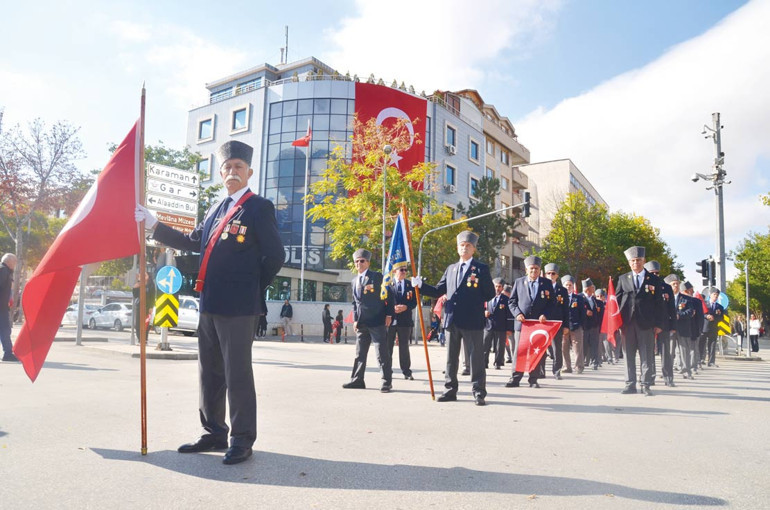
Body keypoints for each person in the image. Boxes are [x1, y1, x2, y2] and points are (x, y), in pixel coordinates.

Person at [135, 140, 284, 465]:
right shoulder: (216, 210)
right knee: (210, 373)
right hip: (210, 303)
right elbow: (192, 242)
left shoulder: (259, 207)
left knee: (237, 374)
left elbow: (276, 255)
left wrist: (253, 287)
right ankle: (214, 431)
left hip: (240, 305)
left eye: (239, 167)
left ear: (249, 172)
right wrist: (154, 225)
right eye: (227, 167)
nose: (233, 171)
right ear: (220, 172)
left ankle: (242, 440)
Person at [412, 231, 495, 405]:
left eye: (468, 245)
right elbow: (437, 290)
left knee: (476, 359)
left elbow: (489, 293)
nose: (464, 248)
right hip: (452, 319)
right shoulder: (451, 269)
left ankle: (479, 391)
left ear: (473, 249)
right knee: (451, 358)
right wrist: (420, 285)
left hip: (472, 319)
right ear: (458, 248)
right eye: (462, 245)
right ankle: (450, 390)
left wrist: (471, 300)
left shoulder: (481, 269)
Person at [615, 246, 665, 396]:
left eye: (638, 260)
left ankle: (646, 384)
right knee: (628, 355)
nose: (635, 263)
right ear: (629, 263)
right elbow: (616, 301)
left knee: (647, 355)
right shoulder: (623, 279)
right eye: (633, 260)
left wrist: (658, 324)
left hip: (647, 323)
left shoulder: (654, 280)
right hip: (627, 323)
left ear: (643, 261)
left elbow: (659, 304)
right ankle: (630, 384)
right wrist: (616, 322)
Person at [343, 248, 394, 391]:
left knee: (381, 353)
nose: (359, 263)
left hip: (377, 320)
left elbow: (389, 296)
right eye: (356, 261)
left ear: (368, 262)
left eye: (362, 261)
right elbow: (355, 303)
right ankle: (357, 380)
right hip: (361, 322)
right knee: (360, 353)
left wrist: (389, 314)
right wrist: (355, 319)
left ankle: (386, 381)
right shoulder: (354, 281)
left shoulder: (376, 277)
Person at [506, 255, 554, 388]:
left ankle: (533, 379)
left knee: (536, 352)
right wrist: (517, 314)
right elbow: (512, 302)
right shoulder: (519, 282)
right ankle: (515, 378)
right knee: (519, 351)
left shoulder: (547, 283)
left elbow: (552, 304)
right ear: (526, 270)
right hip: (522, 324)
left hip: (538, 325)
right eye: (531, 269)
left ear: (540, 270)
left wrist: (545, 314)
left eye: (536, 269)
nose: (534, 271)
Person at [644, 260, 675, 386]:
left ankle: (668, 378)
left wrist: (673, 326)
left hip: (664, 324)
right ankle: (650, 377)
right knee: (649, 353)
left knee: (665, 353)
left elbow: (671, 308)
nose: (655, 275)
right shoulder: (643, 286)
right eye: (652, 273)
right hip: (648, 324)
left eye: (657, 273)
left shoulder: (666, 287)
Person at [387, 266, 417, 380]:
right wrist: (392, 308)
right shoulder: (388, 284)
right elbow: (383, 300)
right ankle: (387, 370)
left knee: (404, 347)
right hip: (390, 320)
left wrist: (406, 307)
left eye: (405, 270)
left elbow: (414, 302)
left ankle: (406, 371)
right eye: (401, 270)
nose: (404, 272)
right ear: (395, 271)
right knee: (388, 347)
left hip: (405, 321)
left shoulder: (410, 285)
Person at [664, 274, 696, 380]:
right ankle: (667, 372)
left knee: (684, 350)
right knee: (669, 351)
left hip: (683, 328)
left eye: (677, 283)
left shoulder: (686, 298)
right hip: (669, 327)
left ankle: (687, 371)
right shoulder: (665, 298)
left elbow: (690, 311)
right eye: (673, 284)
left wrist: (680, 315)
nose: (676, 286)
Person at [543, 263, 569, 378]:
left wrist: (566, 325)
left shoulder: (562, 290)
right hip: (543, 322)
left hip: (557, 322)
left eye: (553, 274)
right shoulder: (541, 287)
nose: (551, 275)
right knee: (542, 347)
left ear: (557, 275)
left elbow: (566, 309)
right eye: (548, 273)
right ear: (545, 275)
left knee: (557, 347)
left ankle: (557, 370)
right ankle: (540, 371)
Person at [561, 275, 586, 375]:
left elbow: (582, 313)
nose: (568, 287)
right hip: (563, 327)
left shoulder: (578, 298)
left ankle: (579, 366)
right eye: (566, 285)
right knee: (563, 347)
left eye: (570, 285)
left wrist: (580, 325)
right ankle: (567, 366)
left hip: (576, 326)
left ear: (573, 286)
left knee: (577, 347)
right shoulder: (559, 297)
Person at [484, 278, 511, 370]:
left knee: (500, 346)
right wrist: (484, 313)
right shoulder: (487, 298)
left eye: (499, 287)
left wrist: (509, 329)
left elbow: (509, 315)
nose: (497, 288)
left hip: (501, 326)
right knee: (485, 344)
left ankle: (498, 362)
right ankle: (484, 362)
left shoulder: (506, 299)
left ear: (502, 288)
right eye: (496, 286)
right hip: (488, 325)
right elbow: (481, 308)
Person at [1, 253, 19, 362]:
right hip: (1, 307)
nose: (15, 264)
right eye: (15, 262)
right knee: (5, 330)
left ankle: (8, 352)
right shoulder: (3, 271)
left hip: (2, 306)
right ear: (9, 262)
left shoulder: (5, 271)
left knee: (4, 330)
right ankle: (8, 353)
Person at [581, 278, 602, 371]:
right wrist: (585, 311)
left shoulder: (596, 301)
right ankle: (582, 361)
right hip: (584, 326)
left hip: (594, 326)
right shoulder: (579, 298)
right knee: (584, 345)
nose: (594, 289)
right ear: (587, 289)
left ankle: (595, 362)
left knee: (595, 345)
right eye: (592, 287)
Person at [132, 271, 156, 346]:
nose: (143, 276)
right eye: (142, 275)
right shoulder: (139, 284)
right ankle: (140, 340)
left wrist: (151, 307)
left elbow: (152, 297)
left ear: (148, 276)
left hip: (147, 307)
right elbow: (135, 294)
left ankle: (145, 340)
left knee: (146, 325)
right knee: (137, 325)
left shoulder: (151, 285)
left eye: (145, 275)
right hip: (139, 306)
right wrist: (139, 281)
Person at [704, 288, 725, 366]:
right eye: (714, 294)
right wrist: (707, 316)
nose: (715, 296)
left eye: (717, 295)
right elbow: (700, 314)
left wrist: (716, 317)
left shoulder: (720, 307)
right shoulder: (705, 304)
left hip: (713, 327)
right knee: (702, 344)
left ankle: (711, 361)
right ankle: (700, 360)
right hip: (704, 327)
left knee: (712, 345)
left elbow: (721, 318)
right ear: (710, 295)